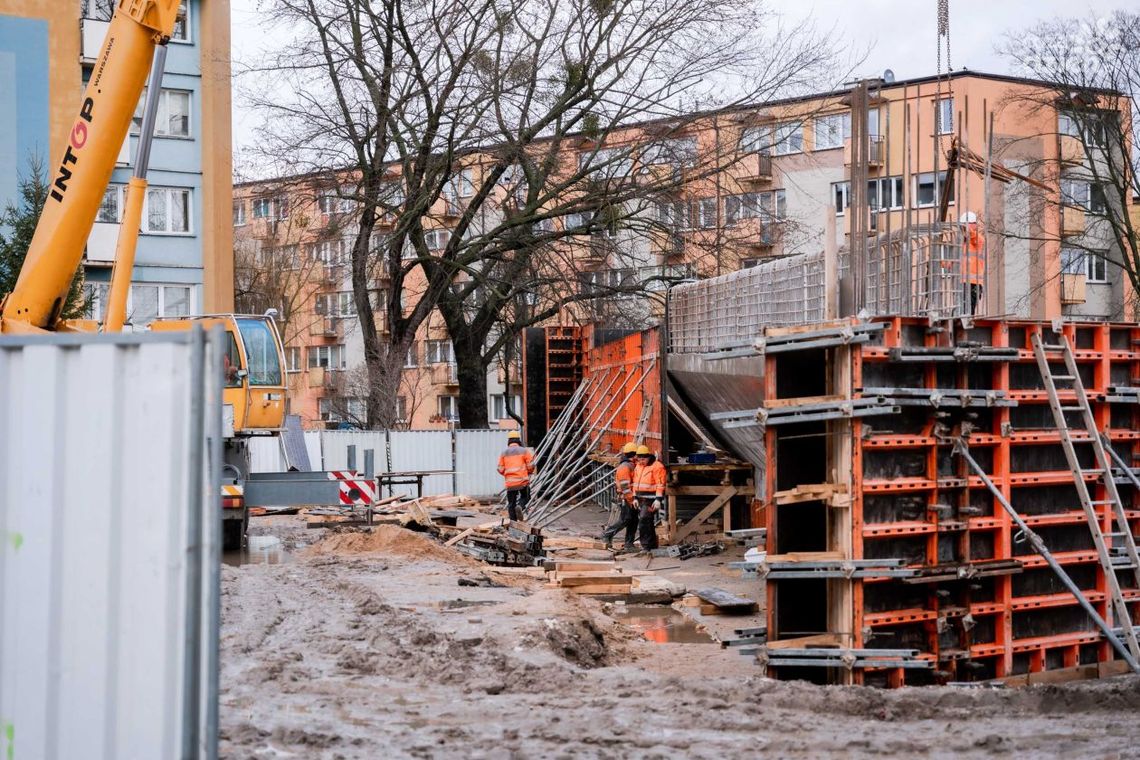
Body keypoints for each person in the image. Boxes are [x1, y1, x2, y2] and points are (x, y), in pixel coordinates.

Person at [602, 442, 639, 551]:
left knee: (633, 521)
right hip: (627, 498)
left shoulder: (631, 465)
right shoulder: (625, 467)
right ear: (633, 454)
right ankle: (607, 534)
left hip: (631, 497)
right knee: (625, 519)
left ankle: (629, 544)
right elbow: (625, 486)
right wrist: (631, 499)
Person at [631, 444, 666, 552]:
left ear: (648, 457)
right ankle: (651, 545)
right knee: (648, 521)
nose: (640, 461)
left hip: (651, 499)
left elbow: (660, 484)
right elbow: (635, 483)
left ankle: (646, 546)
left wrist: (658, 499)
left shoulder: (657, 467)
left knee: (644, 520)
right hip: (641, 498)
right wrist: (635, 497)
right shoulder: (638, 466)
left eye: (642, 459)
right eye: (639, 459)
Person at [498, 430, 535, 521]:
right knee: (526, 497)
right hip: (522, 481)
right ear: (519, 440)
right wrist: (528, 472)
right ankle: (520, 506)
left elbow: (500, 469)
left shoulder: (504, 453)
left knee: (511, 503)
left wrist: (507, 474)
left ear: (509, 441)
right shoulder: (524, 451)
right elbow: (531, 465)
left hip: (510, 483)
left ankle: (513, 522)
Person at [961, 211, 985, 315]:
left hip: (973, 284)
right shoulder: (963, 244)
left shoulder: (978, 240)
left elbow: (975, 237)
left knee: (968, 311)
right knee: (960, 311)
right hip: (962, 283)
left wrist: (968, 229)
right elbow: (951, 263)